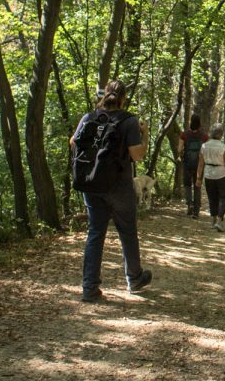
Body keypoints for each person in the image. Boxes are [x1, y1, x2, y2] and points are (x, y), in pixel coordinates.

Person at [69, 79, 153, 302]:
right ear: (123, 98)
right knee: (127, 232)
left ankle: (89, 288)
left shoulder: (89, 117)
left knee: (95, 234)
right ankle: (134, 278)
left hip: (91, 184)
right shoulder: (129, 121)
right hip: (119, 186)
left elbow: (73, 142)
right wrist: (144, 134)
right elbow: (137, 155)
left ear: (105, 95)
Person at [197, 123, 225, 231]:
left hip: (208, 175)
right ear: (221, 134)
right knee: (224, 196)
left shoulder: (204, 146)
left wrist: (198, 178)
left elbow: (200, 164)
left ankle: (213, 220)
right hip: (222, 175)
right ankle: (220, 220)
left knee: (212, 197)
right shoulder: (223, 147)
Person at [177, 115, 207, 218]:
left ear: (190, 122)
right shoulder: (204, 136)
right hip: (199, 164)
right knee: (197, 185)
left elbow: (179, 149)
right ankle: (196, 211)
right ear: (199, 123)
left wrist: (182, 154)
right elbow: (206, 151)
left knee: (187, 185)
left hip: (187, 163)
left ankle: (189, 204)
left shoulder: (184, 135)